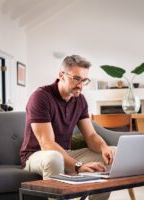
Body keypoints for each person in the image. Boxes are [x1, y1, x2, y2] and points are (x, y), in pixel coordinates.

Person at [20, 55, 115, 200]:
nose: (81, 85)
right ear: (61, 75)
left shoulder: (80, 100)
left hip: (65, 153)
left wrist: (104, 148)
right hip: (36, 155)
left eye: (84, 80)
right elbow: (47, 144)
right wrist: (77, 166)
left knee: (113, 154)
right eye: (76, 79)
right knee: (54, 158)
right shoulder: (40, 97)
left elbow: (90, 136)